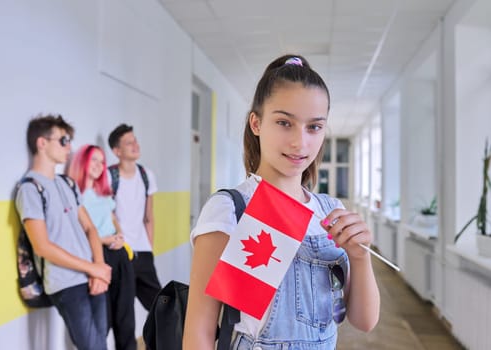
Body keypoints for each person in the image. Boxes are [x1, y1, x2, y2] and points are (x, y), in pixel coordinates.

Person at [183, 55, 380, 349]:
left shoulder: (330, 212)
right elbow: (199, 331)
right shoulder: (231, 209)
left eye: (314, 127)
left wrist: (360, 257)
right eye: (284, 122)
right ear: (256, 123)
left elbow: (364, 321)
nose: (300, 143)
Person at [15, 115, 111, 350]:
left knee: (100, 343)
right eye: (63, 140)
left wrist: (98, 269)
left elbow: (90, 228)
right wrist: (93, 268)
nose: (69, 146)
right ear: (42, 143)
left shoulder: (66, 183)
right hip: (65, 282)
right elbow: (42, 247)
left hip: (92, 275)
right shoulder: (30, 189)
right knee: (93, 347)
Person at [68, 144, 137, 350]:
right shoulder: (75, 194)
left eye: (101, 161)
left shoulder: (103, 191)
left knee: (126, 319)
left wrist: (119, 234)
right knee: (102, 322)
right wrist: (106, 240)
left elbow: (112, 216)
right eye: (94, 160)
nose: (99, 165)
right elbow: (82, 230)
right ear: (82, 162)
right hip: (97, 257)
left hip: (119, 255)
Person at [108, 124, 162, 311]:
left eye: (135, 140)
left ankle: (161, 341)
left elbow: (149, 216)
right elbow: (106, 213)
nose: (135, 145)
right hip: (120, 252)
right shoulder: (108, 177)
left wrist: (150, 247)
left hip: (143, 252)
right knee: (123, 311)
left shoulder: (146, 175)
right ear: (117, 151)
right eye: (129, 142)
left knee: (160, 308)